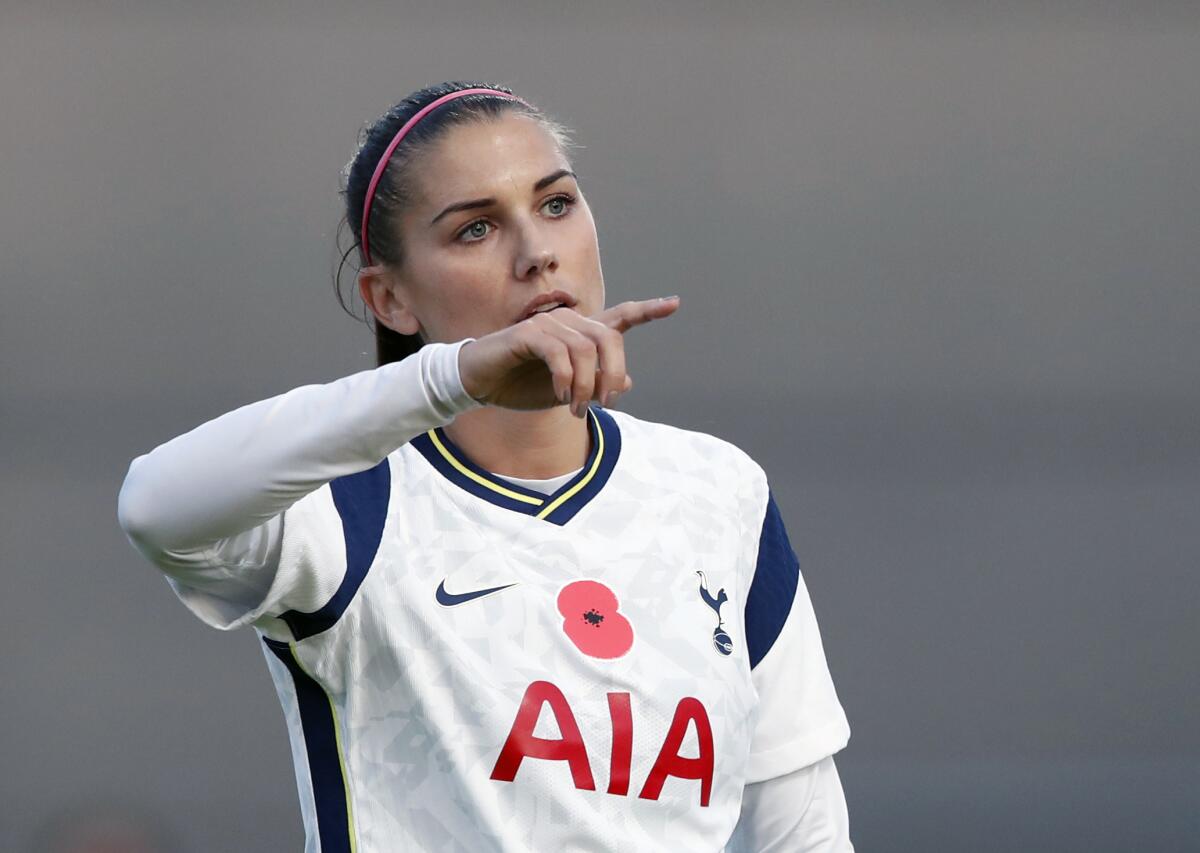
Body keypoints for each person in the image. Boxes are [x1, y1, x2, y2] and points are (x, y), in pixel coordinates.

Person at [117, 81, 854, 852]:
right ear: (391, 299)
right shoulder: (350, 502)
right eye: (475, 229)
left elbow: (802, 829)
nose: (538, 253)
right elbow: (156, 507)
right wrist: (454, 375)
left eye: (557, 204)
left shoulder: (718, 489)